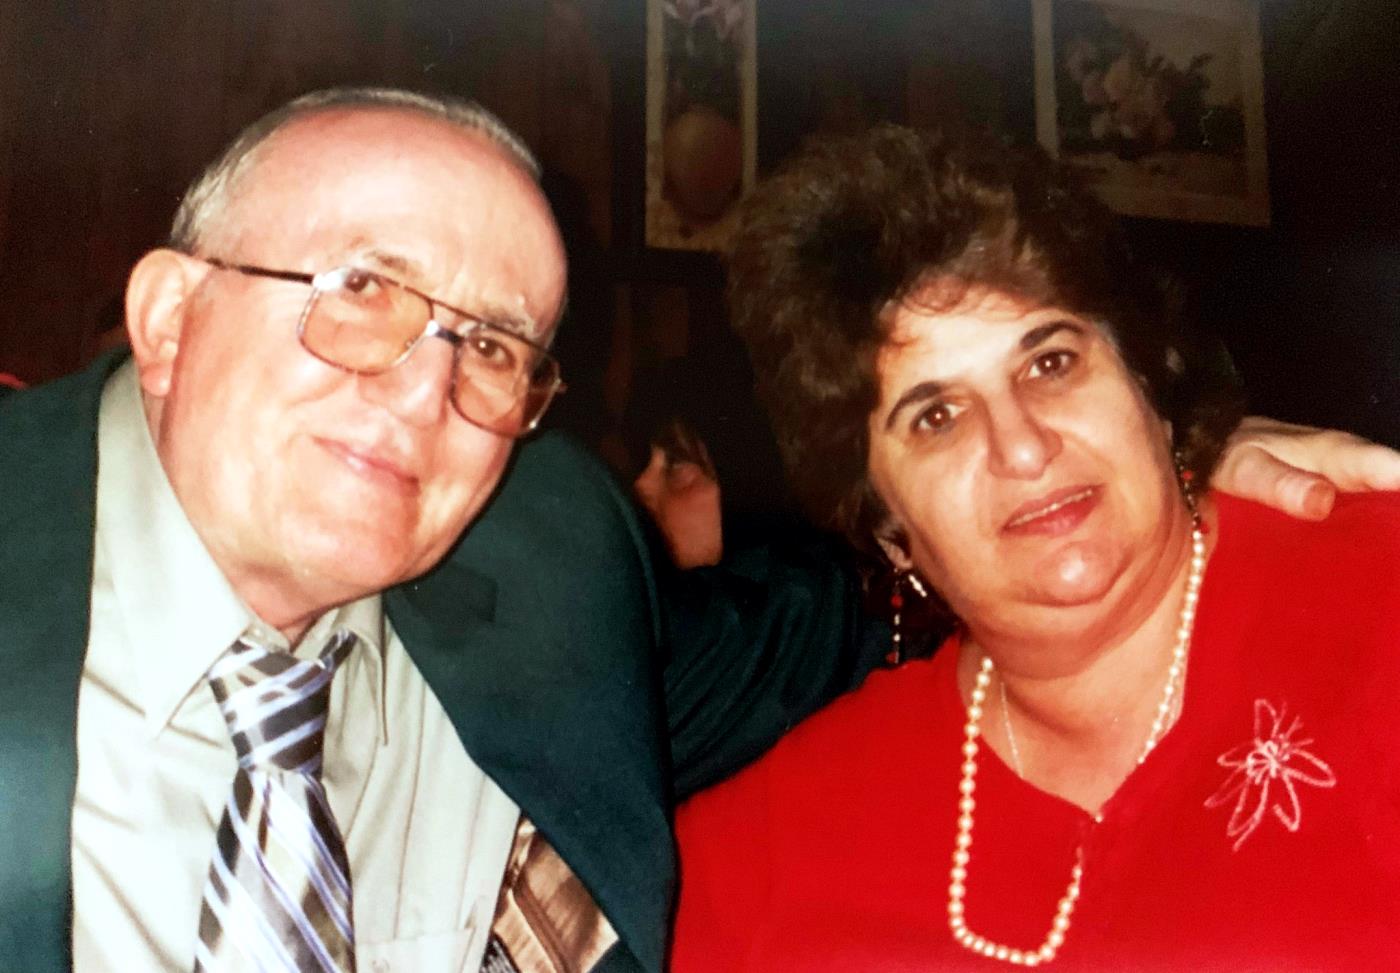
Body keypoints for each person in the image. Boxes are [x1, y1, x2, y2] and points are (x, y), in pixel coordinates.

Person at [0, 89, 1389, 973]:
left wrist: (1200, 454)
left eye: (1053, 362)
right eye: (360, 289)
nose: (424, 391)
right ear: (168, 317)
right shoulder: (789, 838)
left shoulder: (543, 559)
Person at [672, 125, 1400, 970]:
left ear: (1150, 383)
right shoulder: (765, 859)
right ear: (886, 526)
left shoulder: (1373, 589)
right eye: (935, 417)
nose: (1021, 446)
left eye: (1051, 362)